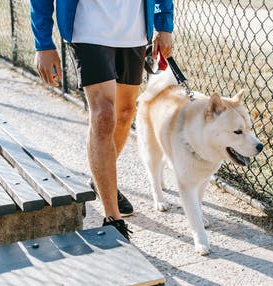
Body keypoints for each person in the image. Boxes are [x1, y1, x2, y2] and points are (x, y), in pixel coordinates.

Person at [29, 0, 174, 240]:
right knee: (104, 115)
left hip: (134, 31)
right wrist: (43, 42)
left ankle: (100, 180)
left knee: (125, 113)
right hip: (87, 28)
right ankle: (113, 220)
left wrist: (163, 23)